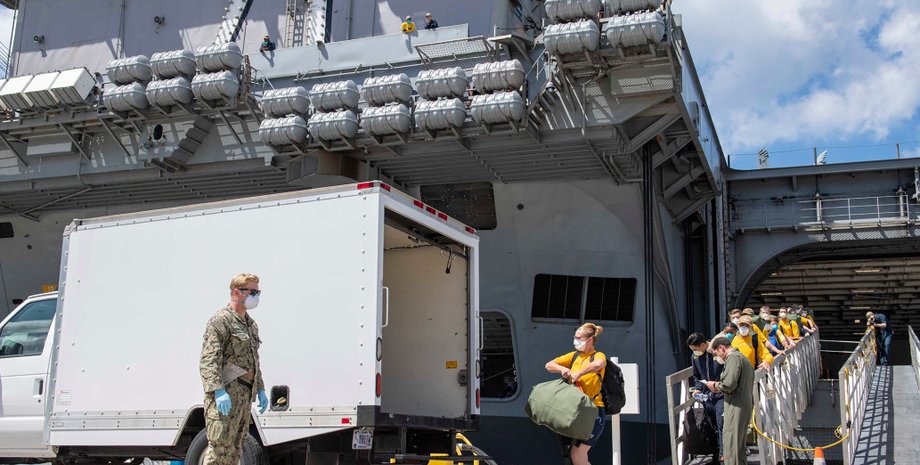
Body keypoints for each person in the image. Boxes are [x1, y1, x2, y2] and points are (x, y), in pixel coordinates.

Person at [200, 273, 270, 465]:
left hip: (244, 396)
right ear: (236, 292)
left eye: (258, 291)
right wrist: (218, 390)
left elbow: (253, 360)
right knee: (219, 450)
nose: (256, 296)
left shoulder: (250, 324)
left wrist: (261, 389)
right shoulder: (221, 320)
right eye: (252, 291)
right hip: (227, 394)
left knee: (235, 450)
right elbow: (209, 360)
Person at [545, 323, 607, 465]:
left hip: (593, 411)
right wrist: (562, 369)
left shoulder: (597, 355)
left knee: (578, 454)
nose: (575, 341)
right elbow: (549, 364)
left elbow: (599, 364)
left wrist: (580, 372)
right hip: (573, 411)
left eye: (579, 338)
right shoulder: (574, 356)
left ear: (590, 340)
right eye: (575, 337)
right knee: (574, 454)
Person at [705, 336, 755, 465]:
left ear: (721, 348)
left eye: (716, 353)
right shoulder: (742, 357)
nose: (717, 357)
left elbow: (729, 384)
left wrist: (715, 385)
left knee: (731, 444)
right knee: (739, 446)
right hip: (743, 403)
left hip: (735, 404)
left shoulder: (733, 358)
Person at [687, 333, 724, 459]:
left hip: (720, 394)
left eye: (695, 349)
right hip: (705, 395)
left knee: (721, 423)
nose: (694, 352)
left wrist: (719, 384)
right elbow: (696, 375)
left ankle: (723, 454)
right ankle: (714, 452)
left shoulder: (716, 353)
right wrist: (697, 389)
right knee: (710, 424)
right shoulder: (695, 357)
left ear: (703, 345)